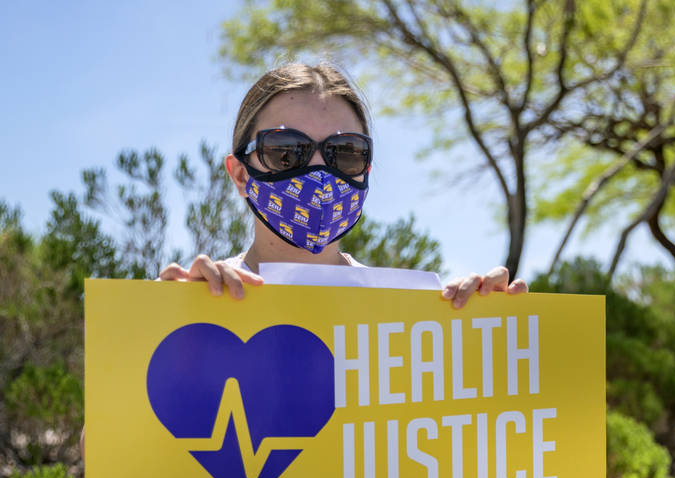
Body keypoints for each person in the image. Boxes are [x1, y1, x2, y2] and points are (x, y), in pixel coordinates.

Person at [159, 63, 525, 305]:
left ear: (365, 169)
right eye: (286, 151)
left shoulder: (415, 315)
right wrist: (166, 318)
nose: (319, 172)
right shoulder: (197, 299)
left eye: (345, 152)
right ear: (240, 173)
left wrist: (493, 332)